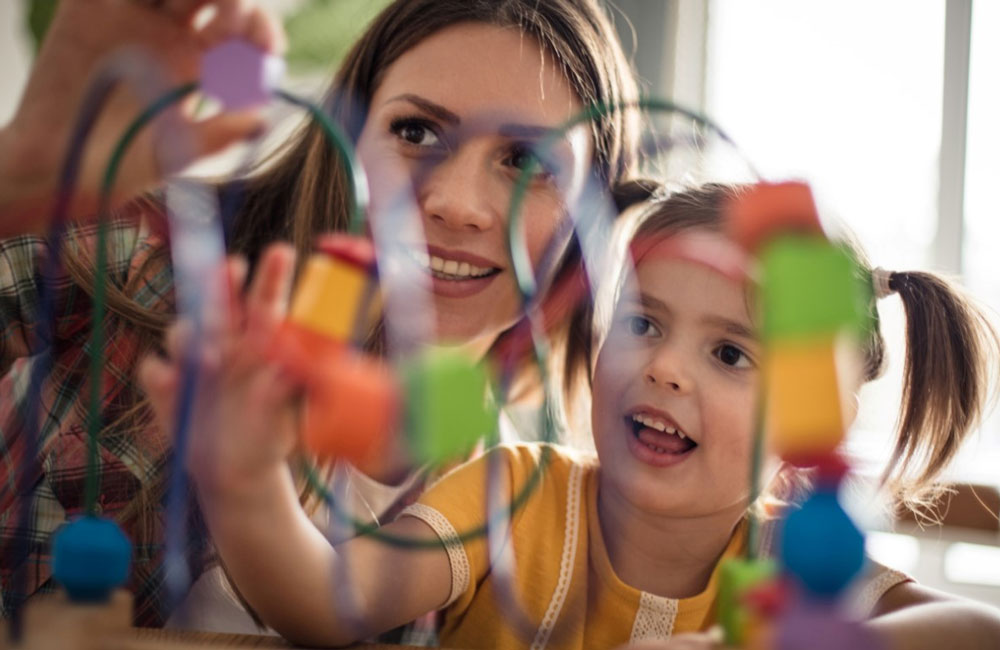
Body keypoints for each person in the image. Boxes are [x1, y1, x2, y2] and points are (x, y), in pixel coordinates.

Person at [0, 0, 640, 628]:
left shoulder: (506, 499)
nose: (455, 203)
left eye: (527, 163)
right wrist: (27, 163)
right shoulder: (144, 262)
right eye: (415, 132)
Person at [140, 183, 1000, 648]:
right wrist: (245, 479)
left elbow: (978, 628)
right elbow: (329, 607)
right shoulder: (514, 494)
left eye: (730, 353)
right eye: (643, 323)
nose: (662, 366)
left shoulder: (796, 562)